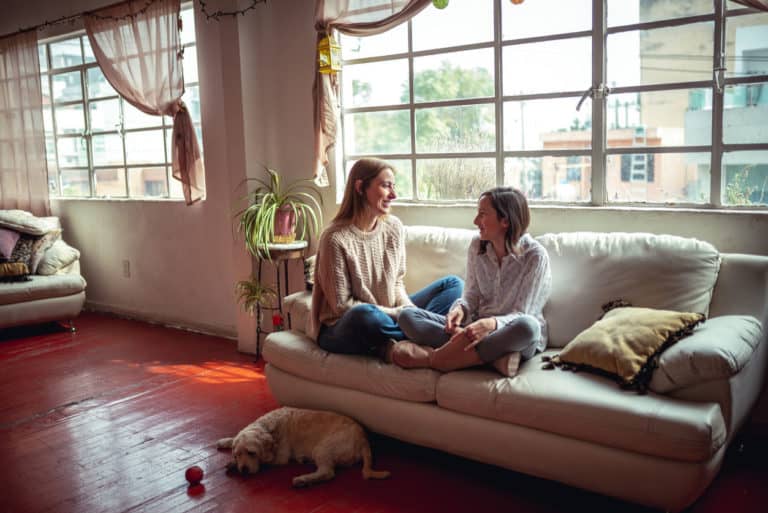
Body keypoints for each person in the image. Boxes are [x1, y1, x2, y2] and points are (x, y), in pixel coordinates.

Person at [310, 158, 463, 359]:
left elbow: (397, 282)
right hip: (341, 327)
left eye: (393, 186)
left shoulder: (393, 227)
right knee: (365, 315)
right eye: (385, 186)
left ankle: (418, 337)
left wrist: (409, 310)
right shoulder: (335, 238)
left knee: (452, 284)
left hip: (389, 316)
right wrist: (398, 315)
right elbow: (341, 306)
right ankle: (449, 339)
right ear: (360, 187)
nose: (394, 194)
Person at [394, 187, 551, 376]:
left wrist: (491, 324)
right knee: (408, 317)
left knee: (528, 327)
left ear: (505, 220)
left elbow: (522, 313)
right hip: (473, 330)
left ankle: (435, 359)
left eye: (482, 214)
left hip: (510, 334)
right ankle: (495, 359)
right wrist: (460, 309)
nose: (476, 221)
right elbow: (471, 294)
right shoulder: (478, 246)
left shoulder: (535, 255)